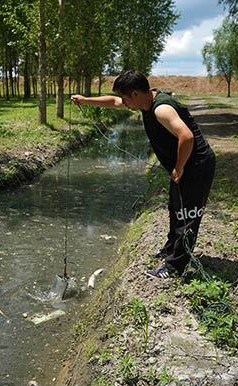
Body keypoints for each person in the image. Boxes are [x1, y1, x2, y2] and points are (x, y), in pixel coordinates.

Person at [71, 69, 216, 278]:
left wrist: (179, 167)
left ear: (135, 94)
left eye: (125, 98)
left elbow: (187, 137)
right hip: (186, 164)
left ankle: (175, 267)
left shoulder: (161, 109)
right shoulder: (144, 100)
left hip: (196, 165)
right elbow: (114, 102)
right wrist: (85, 101)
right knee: (176, 208)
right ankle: (171, 249)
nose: (123, 102)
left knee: (188, 215)